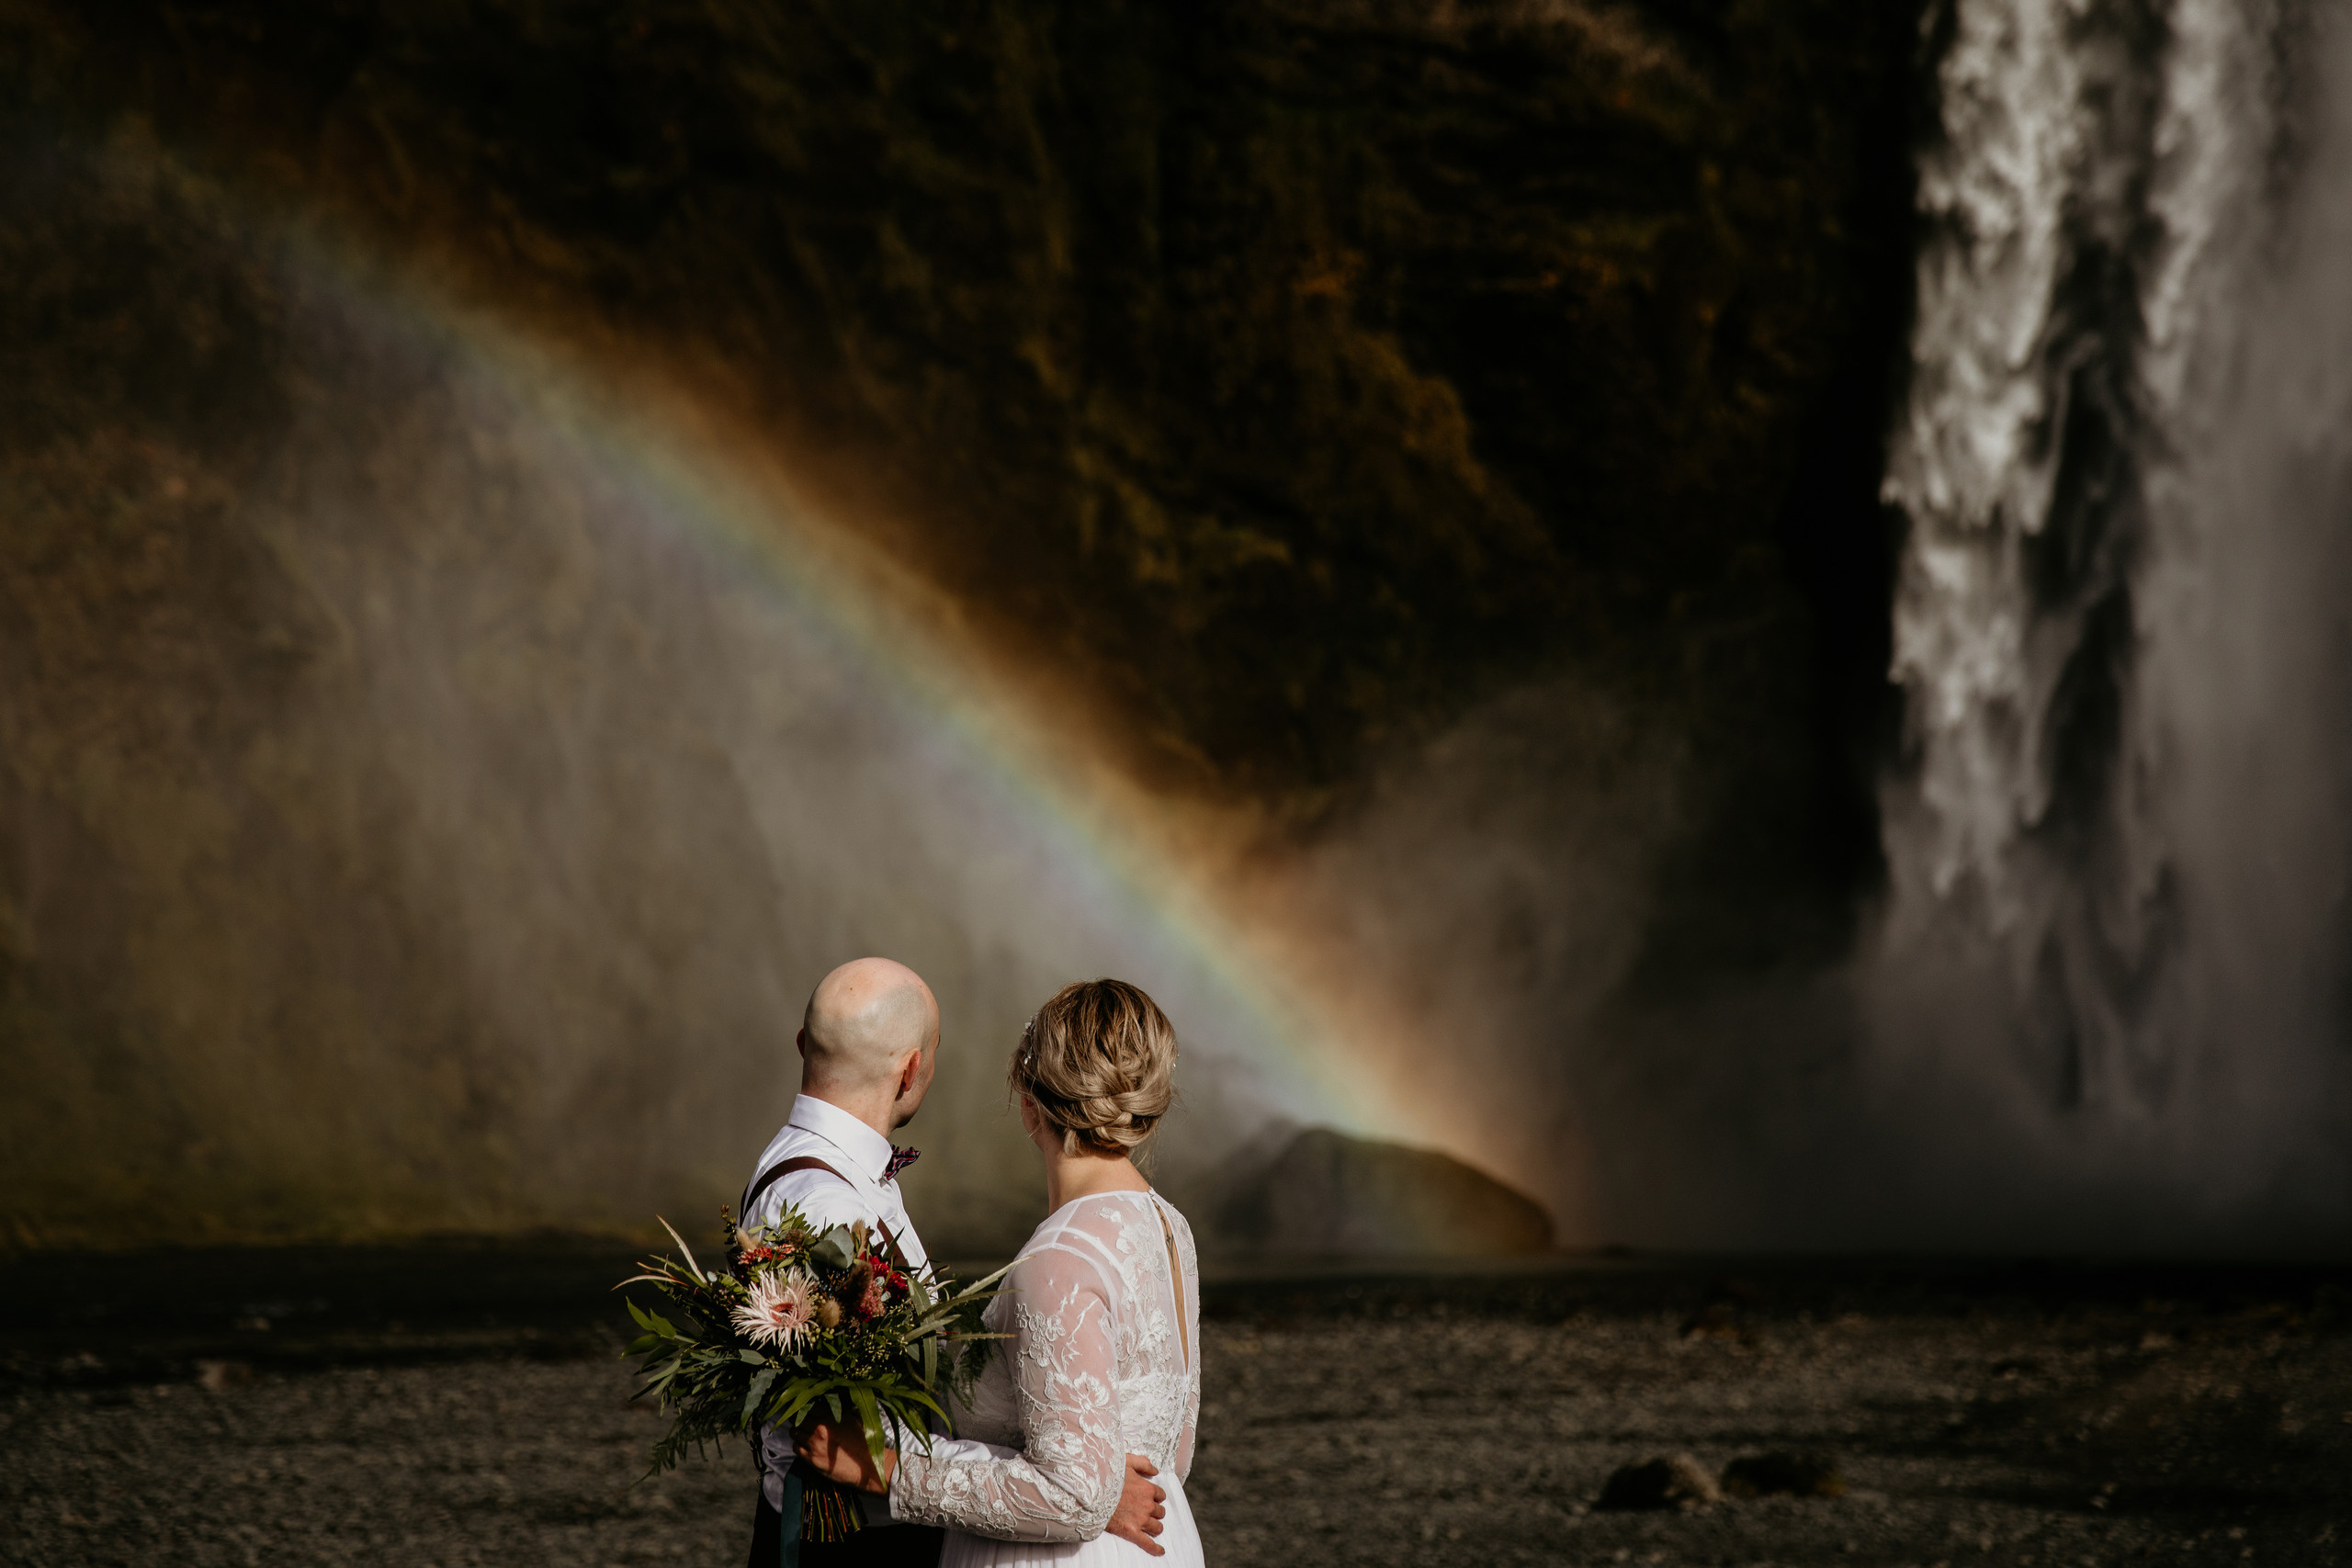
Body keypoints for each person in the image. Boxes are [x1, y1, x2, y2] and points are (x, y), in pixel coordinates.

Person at [742, 959, 1171, 1568]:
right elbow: (861, 1435)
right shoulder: (825, 1206)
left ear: (801, 1044)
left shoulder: (825, 1174)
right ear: (910, 1069)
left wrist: (1085, 1472)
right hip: (853, 1547)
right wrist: (1091, 1491)